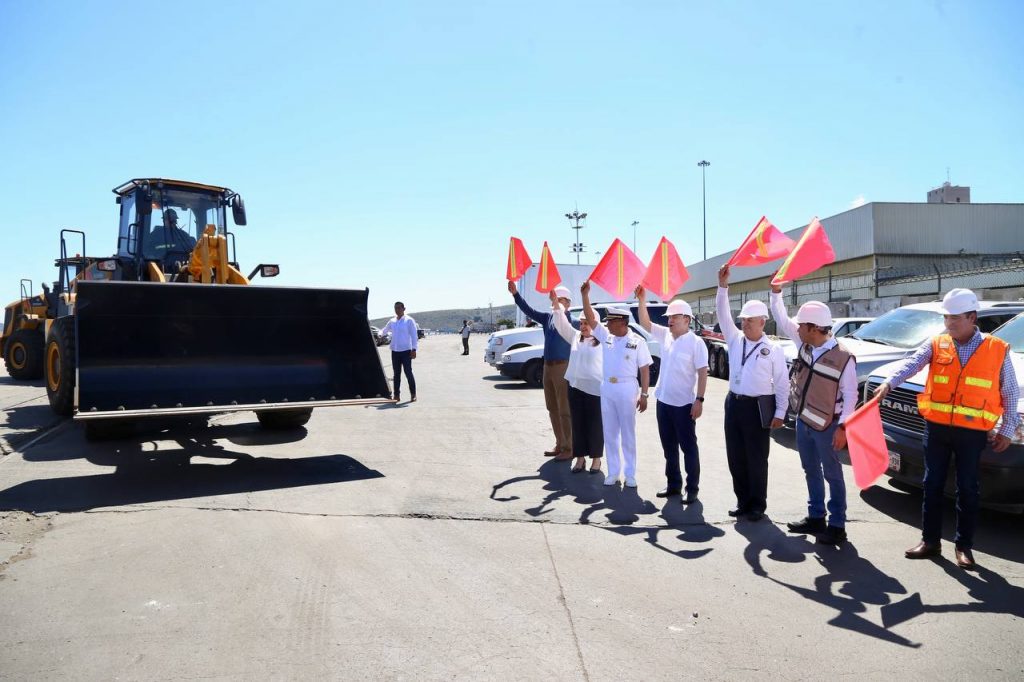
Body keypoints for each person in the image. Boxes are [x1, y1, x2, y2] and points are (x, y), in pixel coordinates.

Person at [873, 288, 1019, 569]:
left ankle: (964, 546)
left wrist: (1007, 428)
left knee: (967, 488)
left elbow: (1010, 392)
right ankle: (930, 541)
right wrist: (889, 383)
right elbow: (912, 364)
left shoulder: (996, 348)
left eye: (954, 318)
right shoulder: (937, 343)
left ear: (972, 317)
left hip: (972, 433)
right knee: (932, 484)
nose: (948, 323)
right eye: (946, 318)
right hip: (937, 429)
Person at [770, 286, 857, 545]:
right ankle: (816, 516)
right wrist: (776, 293)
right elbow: (782, 319)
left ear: (814, 328)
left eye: (801, 326)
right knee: (810, 469)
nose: (796, 329)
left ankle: (837, 525)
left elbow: (851, 395)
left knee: (833, 474)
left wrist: (843, 428)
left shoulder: (844, 358)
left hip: (828, 426)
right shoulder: (805, 344)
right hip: (804, 421)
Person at [716, 264, 789, 521]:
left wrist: (780, 412)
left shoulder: (773, 349)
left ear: (762, 322)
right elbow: (723, 314)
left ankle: (758, 503)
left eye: (750, 320)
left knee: (756, 457)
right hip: (733, 404)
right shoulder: (735, 339)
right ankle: (742, 500)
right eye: (743, 320)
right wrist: (722, 287)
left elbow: (782, 383)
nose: (744, 324)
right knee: (735, 455)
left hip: (757, 407)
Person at [635, 285, 708, 505]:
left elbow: (702, 372)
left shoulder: (696, 343)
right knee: (669, 448)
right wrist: (642, 300)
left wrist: (699, 400)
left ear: (687, 319)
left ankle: (692, 488)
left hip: (684, 405)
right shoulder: (666, 335)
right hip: (664, 402)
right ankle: (673, 484)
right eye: (669, 317)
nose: (670, 320)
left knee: (688, 448)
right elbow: (645, 323)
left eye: (674, 317)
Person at [582, 281, 652, 488]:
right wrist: (585, 296)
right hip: (608, 388)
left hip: (627, 388)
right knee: (610, 432)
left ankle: (630, 474)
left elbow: (645, 369)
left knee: (628, 433)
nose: (607, 325)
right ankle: (613, 472)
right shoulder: (607, 337)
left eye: (610, 322)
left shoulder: (638, 342)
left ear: (622, 322)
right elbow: (591, 319)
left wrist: (644, 394)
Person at [508, 281, 578, 460]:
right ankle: (559, 443)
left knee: (564, 409)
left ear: (568, 303)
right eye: (555, 299)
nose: (557, 302)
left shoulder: (573, 322)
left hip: (563, 366)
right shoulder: (548, 318)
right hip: (548, 366)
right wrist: (516, 294)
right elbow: (529, 311)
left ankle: (569, 447)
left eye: (560, 300)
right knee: (552, 407)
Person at [550, 289, 604, 475]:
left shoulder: (603, 340)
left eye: (586, 322)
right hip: (575, 387)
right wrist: (556, 304)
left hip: (595, 390)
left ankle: (596, 459)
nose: (583, 326)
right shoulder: (575, 337)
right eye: (581, 323)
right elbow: (561, 323)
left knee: (595, 425)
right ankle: (580, 458)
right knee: (578, 425)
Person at [379, 301, 419, 403]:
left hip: (406, 351)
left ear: (404, 309)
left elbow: (414, 336)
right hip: (395, 351)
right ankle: (396, 395)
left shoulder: (409, 320)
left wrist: (414, 349)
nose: (397, 310)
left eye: (399, 308)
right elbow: (384, 330)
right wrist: (379, 334)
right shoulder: (392, 321)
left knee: (408, 372)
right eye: (395, 308)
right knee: (396, 374)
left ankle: (413, 394)